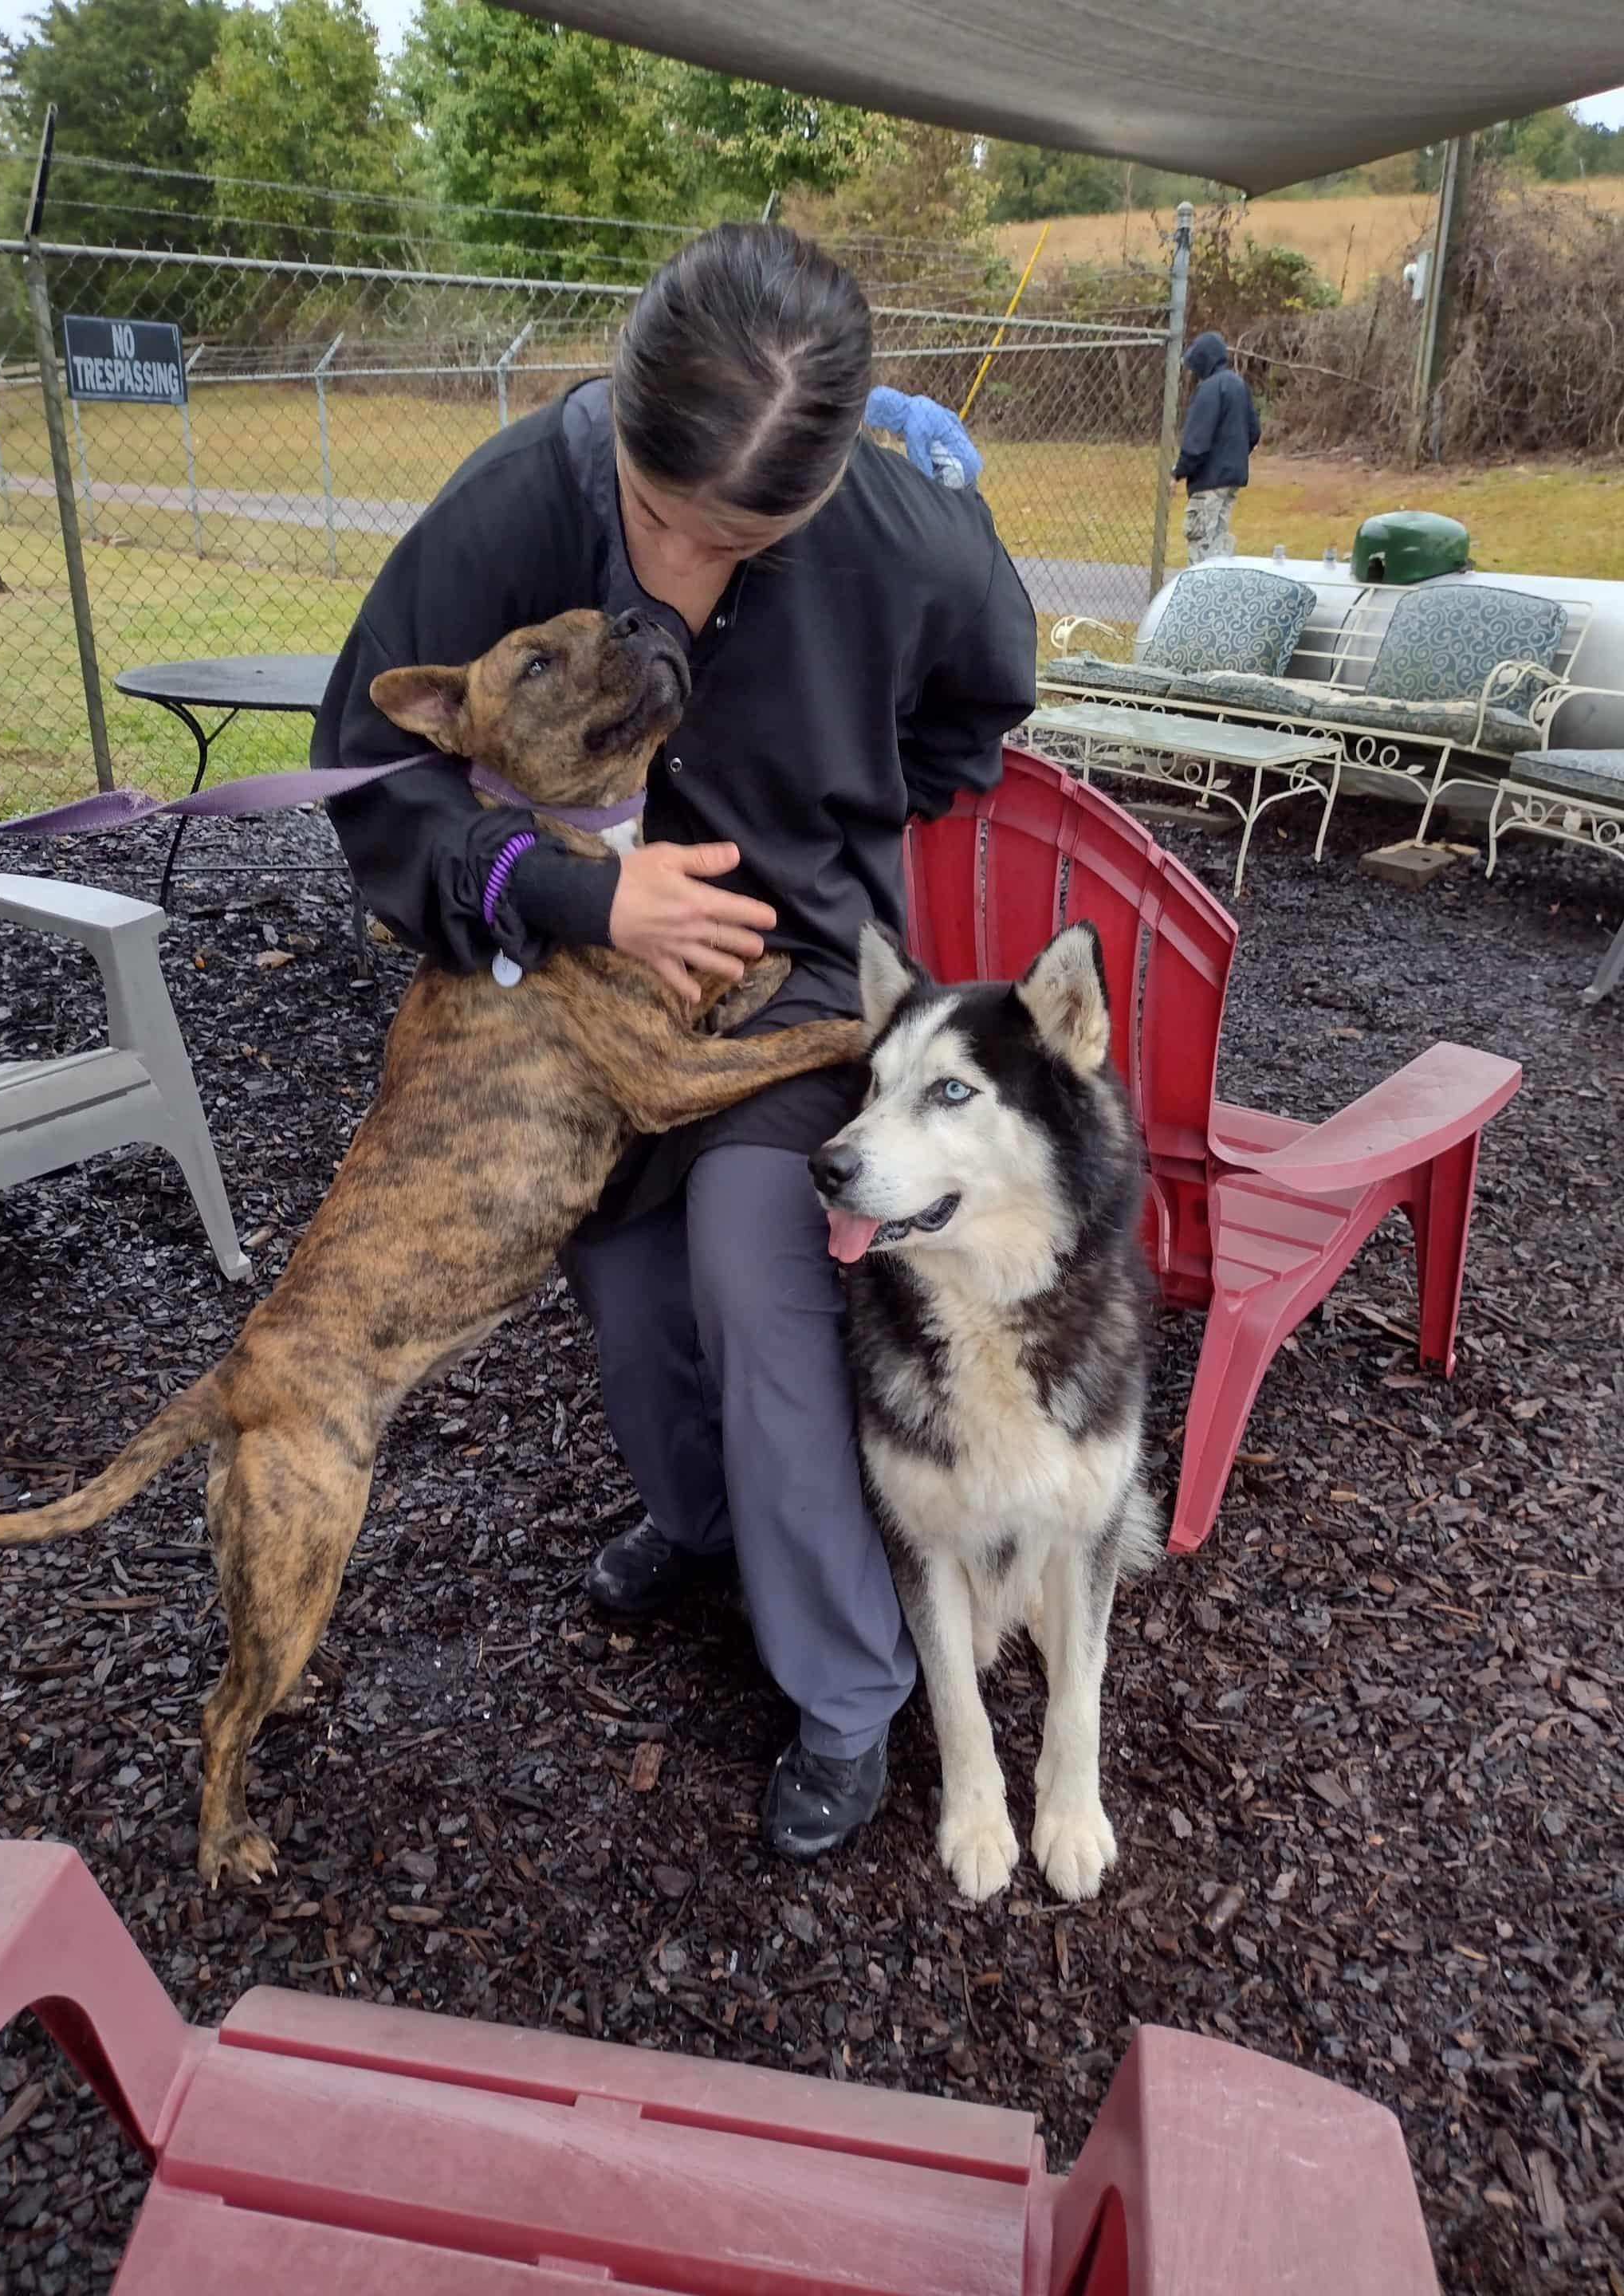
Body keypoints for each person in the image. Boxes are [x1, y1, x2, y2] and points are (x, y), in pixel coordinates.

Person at [312, 222, 1036, 1862]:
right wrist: (575, 894)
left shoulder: (909, 533)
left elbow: (984, 702)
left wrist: (847, 817)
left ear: (829, 484)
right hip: (569, 983)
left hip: (781, 982)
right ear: (618, 431)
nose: (688, 577)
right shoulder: (511, 502)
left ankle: (852, 1689)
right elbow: (367, 771)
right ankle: (705, 1527)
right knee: (622, 1282)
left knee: (745, 1252)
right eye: (655, 523)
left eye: (744, 545)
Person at [1172, 331, 1260, 564]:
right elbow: (1253, 431)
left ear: (1204, 361)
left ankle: (1201, 596)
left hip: (1208, 482)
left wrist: (1179, 472)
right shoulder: (1238, 385)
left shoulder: (1209, 389)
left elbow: (1196, 443)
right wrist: (1233, 455)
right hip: (1231, 480)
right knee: (1220, 544)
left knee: (1201, 543)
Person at [864, 383, 983, 489]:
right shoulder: (920, 402)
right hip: (970, 459)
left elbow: (923, 476)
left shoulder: (914, 431)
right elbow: (952, 417)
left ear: (886, 416)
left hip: (956, 471)